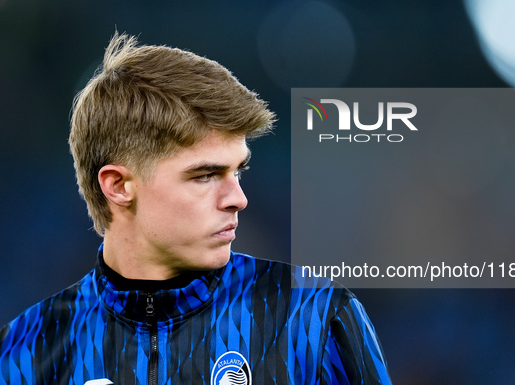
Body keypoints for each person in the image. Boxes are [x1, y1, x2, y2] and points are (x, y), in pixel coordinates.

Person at [0, 33, 391, 385]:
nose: (238, 198)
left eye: (239, 170)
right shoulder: (22, 353)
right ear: (118, 186)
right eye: (205, 175)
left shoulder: (316, 319)